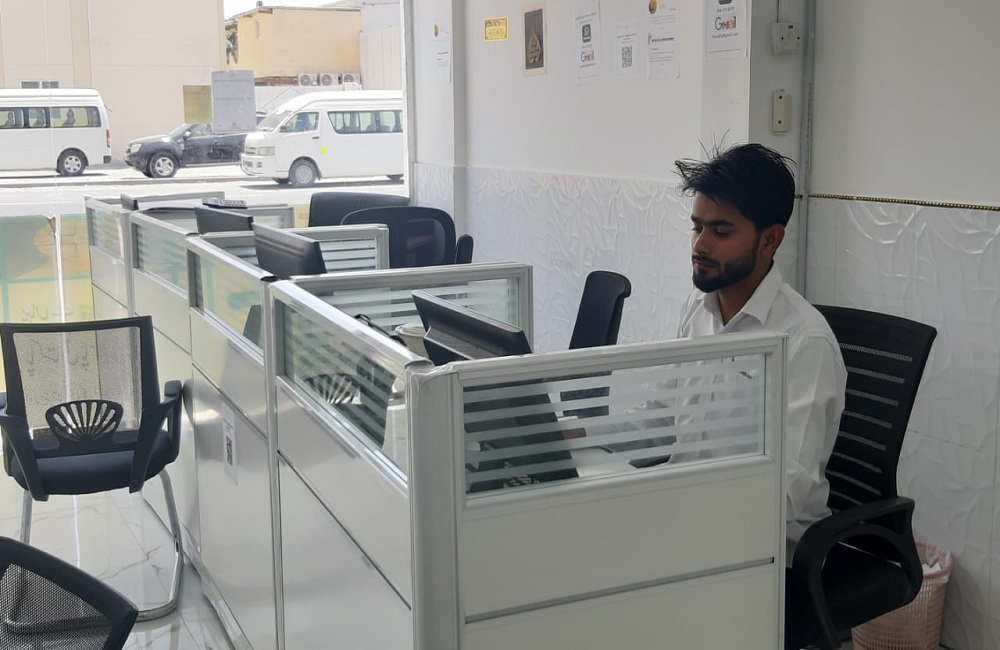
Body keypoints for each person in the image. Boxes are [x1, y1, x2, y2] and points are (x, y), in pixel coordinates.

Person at [672, 143, 847, 553]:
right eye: (697, 227)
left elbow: (786, 493)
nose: (699, 245)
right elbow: (661, 415)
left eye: (721, 231)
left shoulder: (804, 341)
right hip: (687, 521)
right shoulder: (697, 309)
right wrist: (573, 434)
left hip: (765, 550)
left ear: (770, 239)